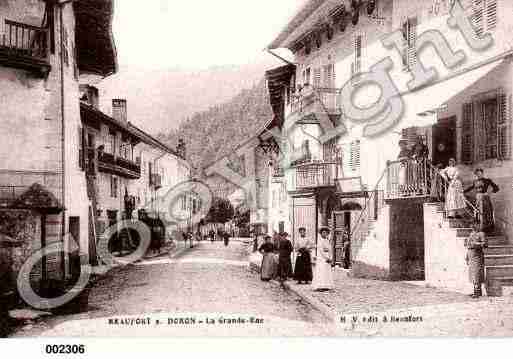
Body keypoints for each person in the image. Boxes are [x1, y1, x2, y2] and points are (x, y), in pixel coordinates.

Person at [464, 168, 499, 234]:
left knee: (486, 213)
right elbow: (471, 188)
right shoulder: (475, 181)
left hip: (485, 199)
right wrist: (463, 191)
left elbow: (496, 188)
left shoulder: (487, 180)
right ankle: (479, 228)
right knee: (478, 213)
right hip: (478, 198)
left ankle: (488, 230)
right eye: (477, 174)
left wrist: (489, 192)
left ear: (482, 173)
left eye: (480, 173)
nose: (478, 175)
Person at [465, 222, 488, 298]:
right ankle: (476, 291)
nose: (472, 226)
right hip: (471, 255)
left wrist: (475, 244)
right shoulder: (471, 234)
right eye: (472, 225)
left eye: (474, 225)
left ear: (478, 225)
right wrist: (467, 257)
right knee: (472, 274)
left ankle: (478, 292)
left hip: (477, 256)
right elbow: (468, 245)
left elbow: (485, 244)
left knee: (477, 273)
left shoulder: (481, 234)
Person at [312, 226, 335, 291]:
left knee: (327, 271)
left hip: (327, 257)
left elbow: (330, 249)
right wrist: (326, 258)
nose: (325, 234)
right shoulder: (320, 241)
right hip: (322, 258)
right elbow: (321, 251)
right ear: (321, 233)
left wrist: (330, 257)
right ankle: (320, 285)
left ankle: (326, 285)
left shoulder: (327, 240)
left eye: (326, 233)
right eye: (323, 233)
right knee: (321, 271)